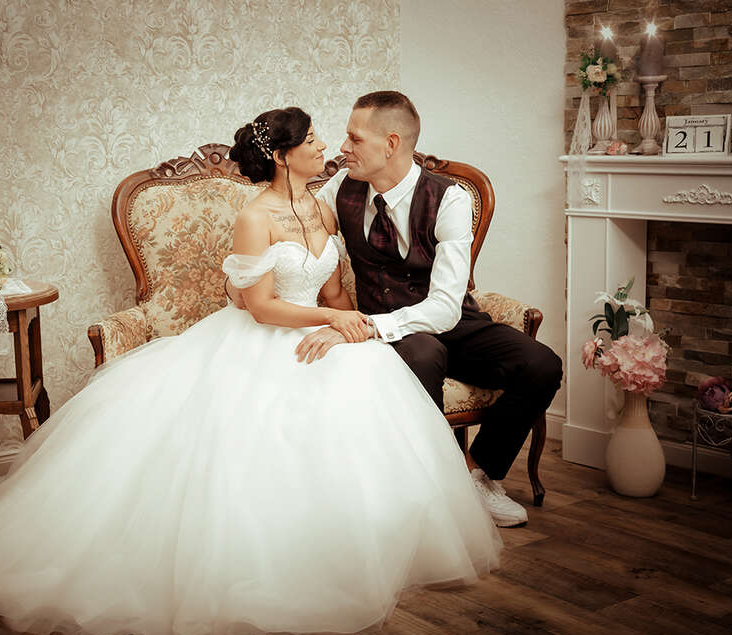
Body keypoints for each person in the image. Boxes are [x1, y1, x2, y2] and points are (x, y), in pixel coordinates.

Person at [0, 106, 501, 635]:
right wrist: (334, 316)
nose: (325, 146)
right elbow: (261, 307)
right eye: (313, 140)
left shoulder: (325, 208)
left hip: (315, 330)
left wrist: (345, 322)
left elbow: (331, 286)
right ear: (283, 156)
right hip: (261, 339)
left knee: (367, 385)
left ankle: (357, 544)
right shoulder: (254, 217)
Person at [232, 92, 562, 527]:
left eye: (354, 138)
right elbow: (295, 225)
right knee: (424, 353)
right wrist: (245, 277)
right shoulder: (340, 188)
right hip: (397, 335)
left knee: (542, 364)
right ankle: (430, 484)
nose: (341, 148)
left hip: (448, 321)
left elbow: (445, 307)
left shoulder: (450, 198)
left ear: (390, 144)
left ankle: (478, 474)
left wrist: (365, 325)